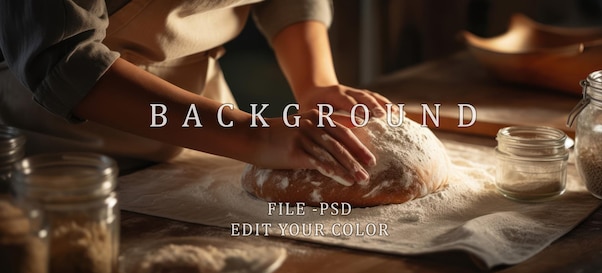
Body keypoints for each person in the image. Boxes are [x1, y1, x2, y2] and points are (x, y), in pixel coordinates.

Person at [0, 0, 394, 186]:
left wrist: (315, 84)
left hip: (210, 136)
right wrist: (255, 135)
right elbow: (62, 56)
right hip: (60, 153)